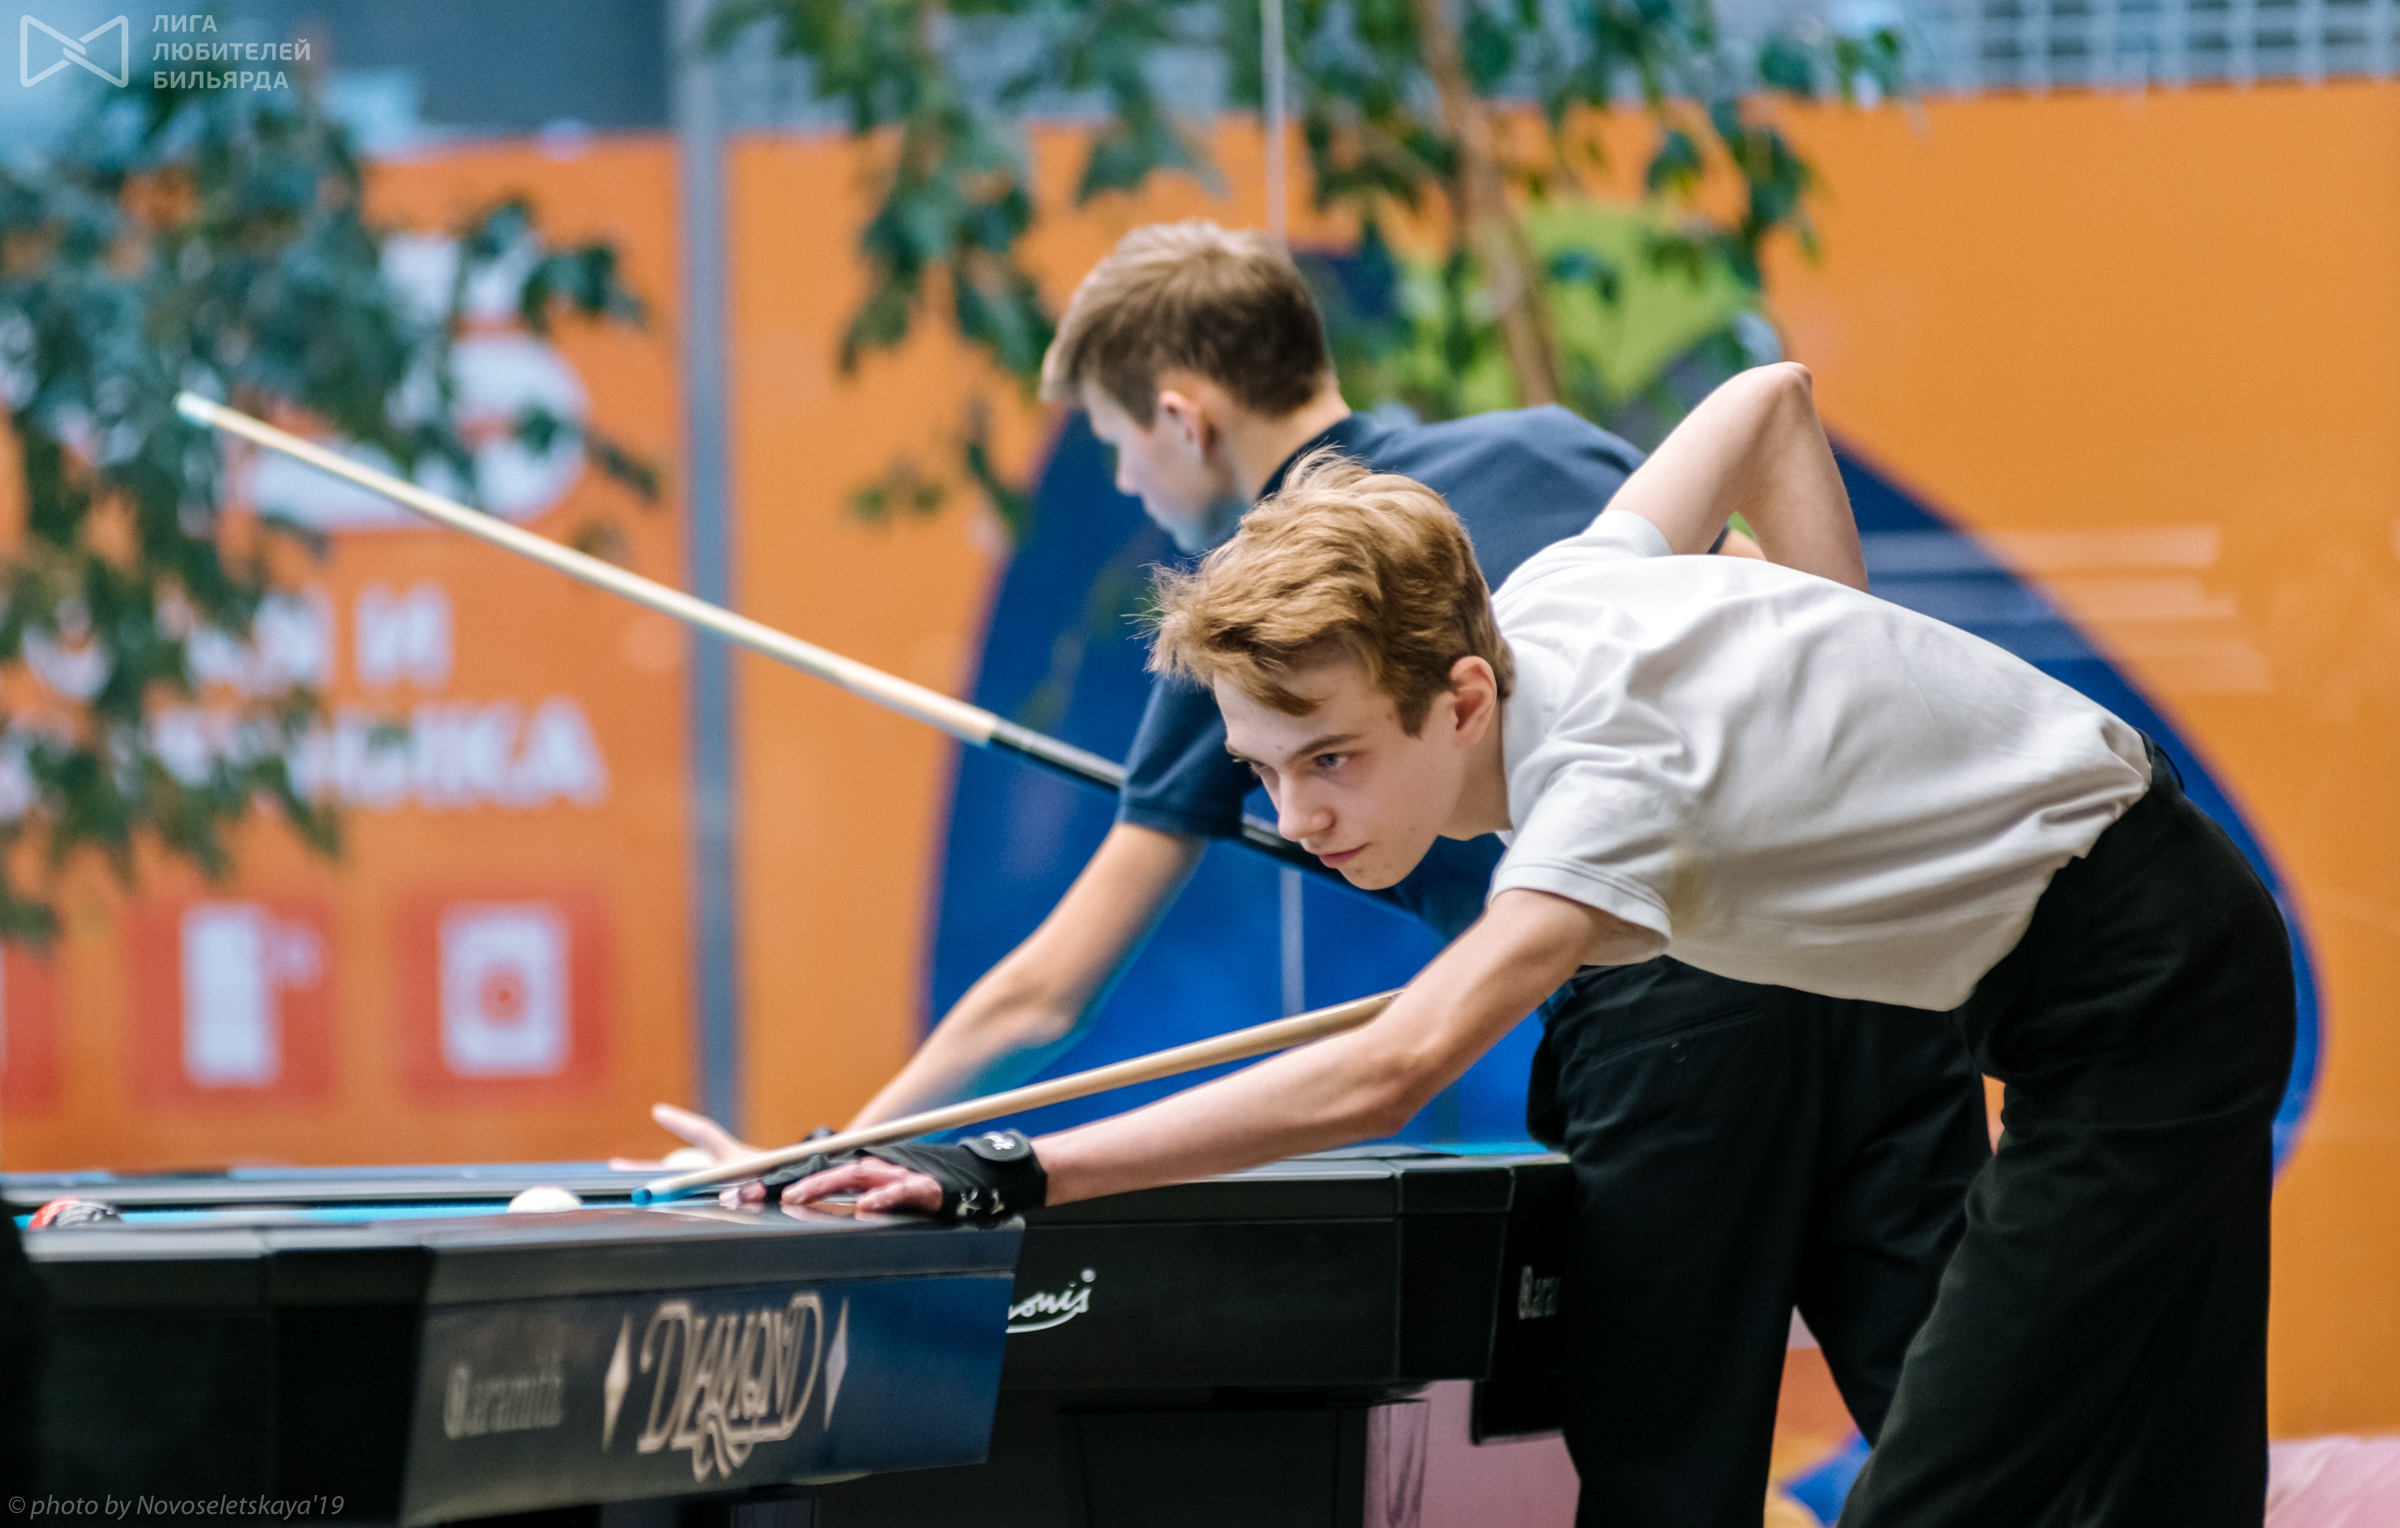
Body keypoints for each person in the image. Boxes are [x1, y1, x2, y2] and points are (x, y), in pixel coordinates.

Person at [791, 360, 2296, 1526]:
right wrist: (1835, 675)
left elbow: (1391, 1070)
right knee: (2174, 1491)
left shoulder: (1598, 801)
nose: (1300, 818)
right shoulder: (1557, 589)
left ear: (1460, 700)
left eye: (1332, 759)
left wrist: (1018, 1169)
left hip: (2140, 991)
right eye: (1263, 771)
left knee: (1939, 1502)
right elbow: (1768, 405)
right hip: (2136, 943)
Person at [672, 223, 1990, 1525]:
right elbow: (1763, 610)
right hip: (1854, 958)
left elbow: (1046, 990)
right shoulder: (1546, 447)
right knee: (1964, 1449)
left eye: (1120, 446)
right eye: (1271, 773)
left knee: (1667, 1485)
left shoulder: (1261, 627)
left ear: (1183, 417)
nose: (1129, 483)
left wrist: (835, 1153)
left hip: (1668, 1011)